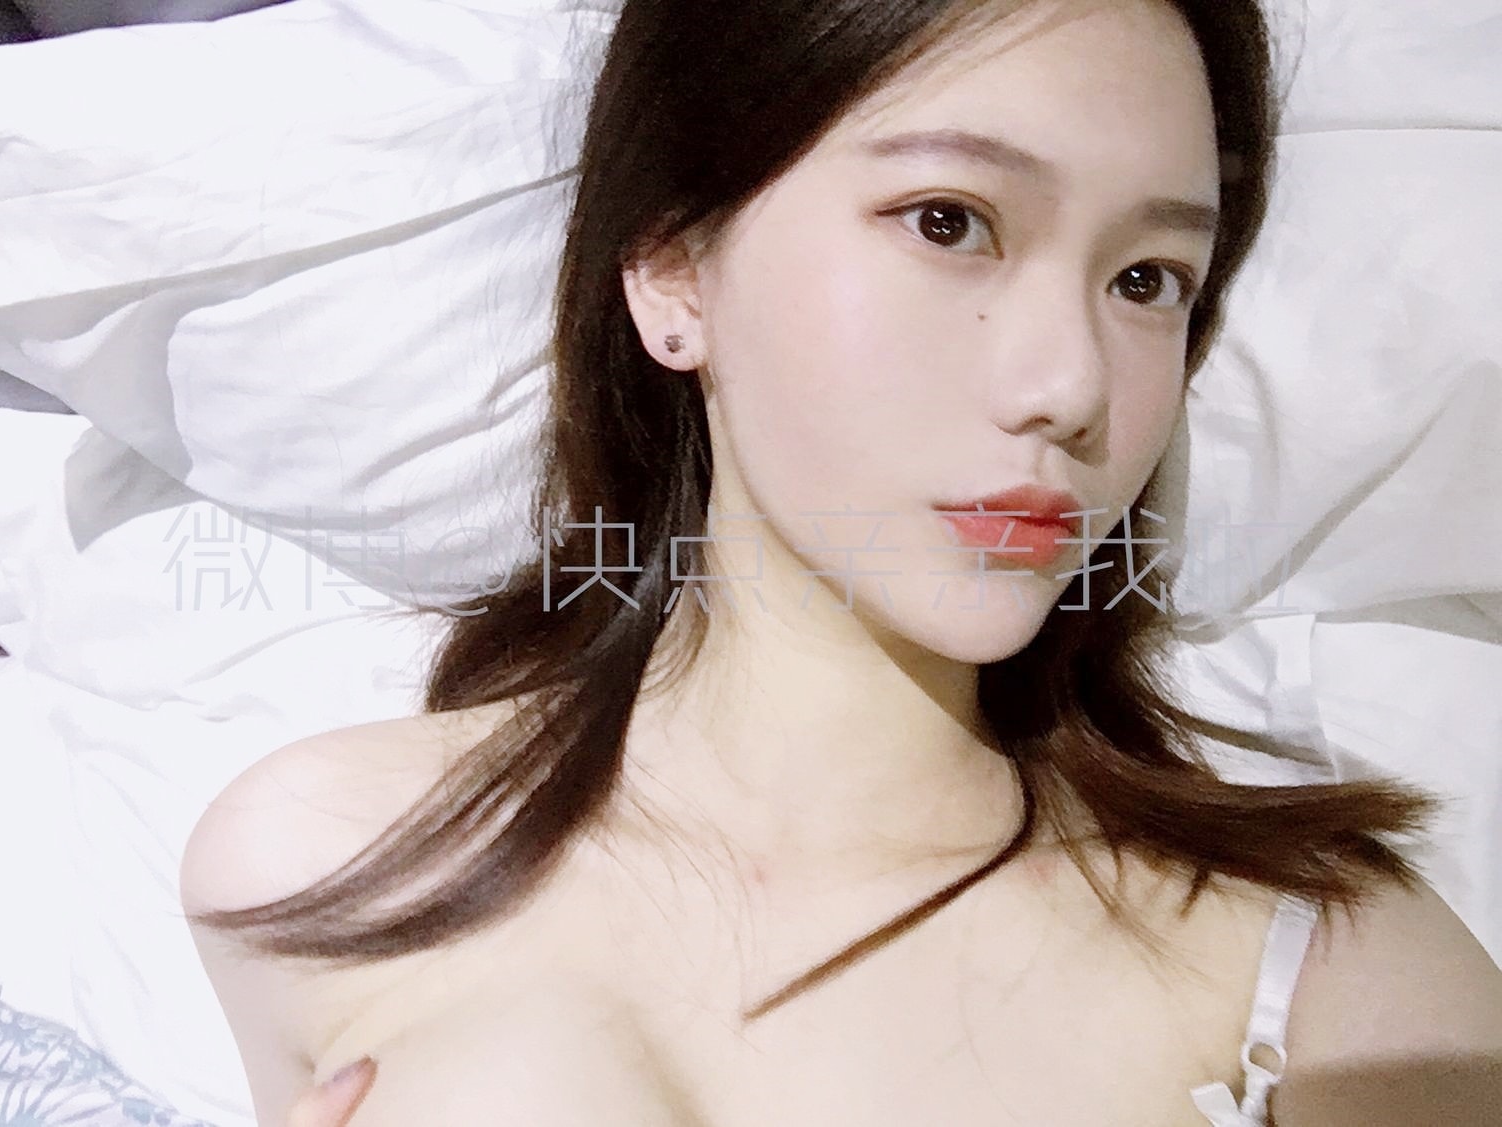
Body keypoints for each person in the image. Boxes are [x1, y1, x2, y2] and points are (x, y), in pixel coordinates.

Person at [183, 0, 1502, 1124]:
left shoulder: (1348, 987)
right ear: (672, 268)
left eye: (1149, 280)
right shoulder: (326, 863)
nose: (1070, 385)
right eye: (949, 222)